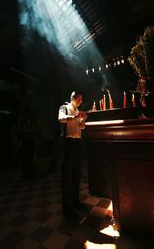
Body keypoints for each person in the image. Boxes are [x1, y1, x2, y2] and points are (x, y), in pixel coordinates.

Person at [58, 91, 88, 221]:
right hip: (68, 143)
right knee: (67, 176)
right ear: (73, 98)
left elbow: (81, 127)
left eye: (81, 100)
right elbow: (61, 119)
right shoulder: (64, 107)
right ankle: (67, 209)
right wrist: (75, 117)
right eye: (79, 99)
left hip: (77, 143)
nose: (81, 102)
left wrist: (83, 119)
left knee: (76, 173)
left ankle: (76, 201)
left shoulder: (77, 110)